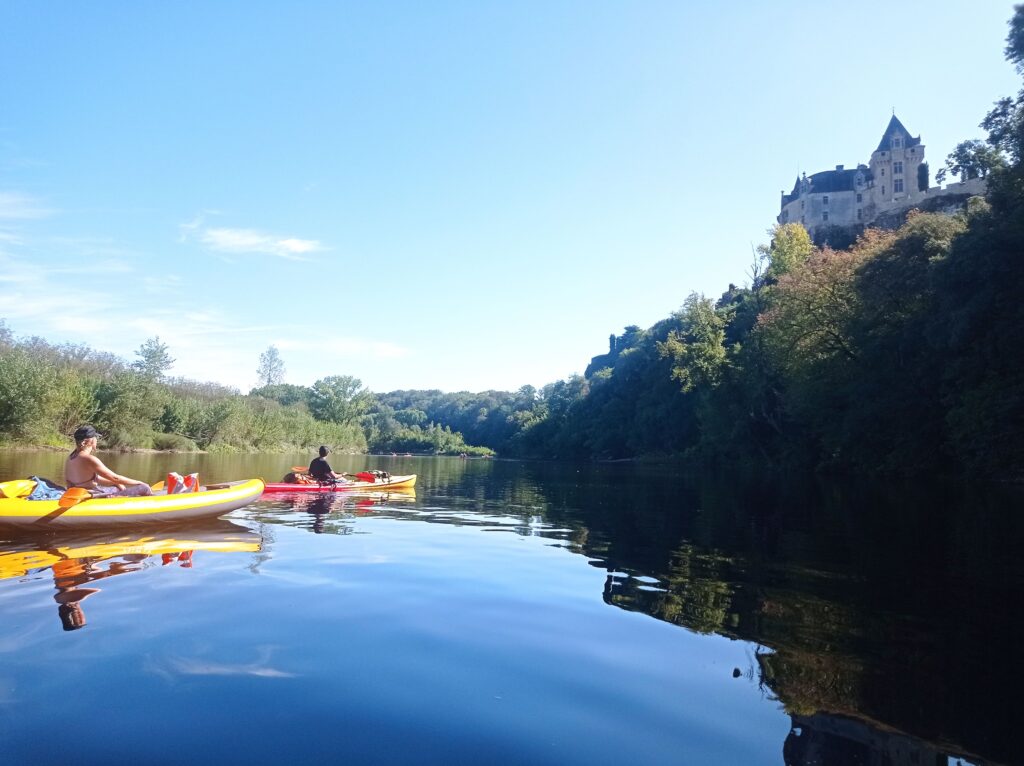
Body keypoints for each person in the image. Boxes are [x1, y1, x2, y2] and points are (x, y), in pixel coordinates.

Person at [65, 425, 153, 497]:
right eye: (96, 438)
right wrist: (138, 482)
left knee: (117, 486)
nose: (97, 440)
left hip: (83, 493)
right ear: (90, 441)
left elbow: (92, 479)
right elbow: (115, 477)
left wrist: (117, 482)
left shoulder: (71, 457)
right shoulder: (89, 459)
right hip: (91, 496)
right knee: (144, 487)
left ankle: (121, 497)